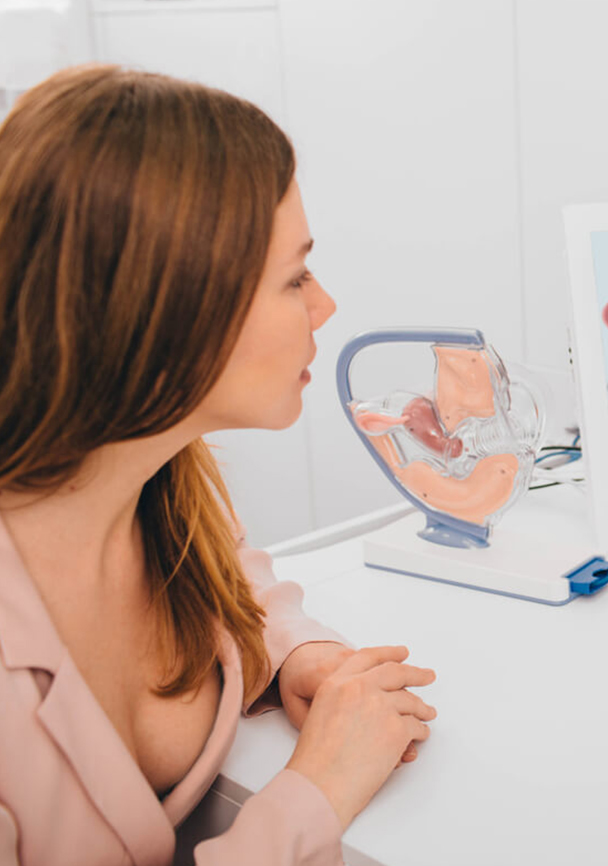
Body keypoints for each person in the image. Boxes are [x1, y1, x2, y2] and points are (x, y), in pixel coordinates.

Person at [0, 65, 438, 865]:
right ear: (164, 313)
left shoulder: (158, 480)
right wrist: (314, 793)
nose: (325, 306)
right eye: (295, 277)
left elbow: (230, 579)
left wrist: (295, 651)